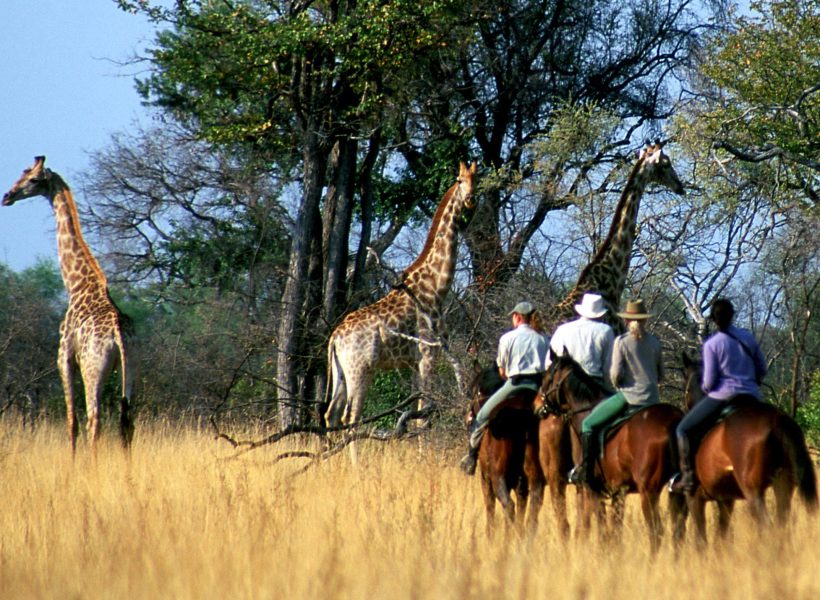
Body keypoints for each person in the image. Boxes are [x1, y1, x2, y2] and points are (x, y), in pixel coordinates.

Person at [669, 298, 767, 494]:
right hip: (751, 397)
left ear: (714, 319)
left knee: (682, 430)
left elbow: (709, 383)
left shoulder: (712, 344)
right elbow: (762, 369)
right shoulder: (748, 338)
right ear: (733, 315)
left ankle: (688, 478)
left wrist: (707, 387)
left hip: (723, 396)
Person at [568, 299, 663, 492]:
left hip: (629, 397)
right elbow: (661, 374)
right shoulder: (655, 342)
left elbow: (614, 374)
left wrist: (619, 383)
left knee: (587, 424)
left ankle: (586, 471)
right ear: (644, 320)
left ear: (627, 320)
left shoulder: (622, 342)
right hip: (653, 400)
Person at [459, 301, 549, 476]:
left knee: (483, 414)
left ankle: (471, 457)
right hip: (538, 388)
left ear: (517, 317)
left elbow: (501, 371)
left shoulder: (507, 338)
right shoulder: (543, 338)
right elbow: (548, 367)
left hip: (514, 385)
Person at [548, 292, 615, 393]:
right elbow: (609, 367)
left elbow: (549, 361)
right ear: (601, 314)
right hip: (593, 383)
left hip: (564, 381)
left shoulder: (562, 329)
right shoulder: (606, 330)